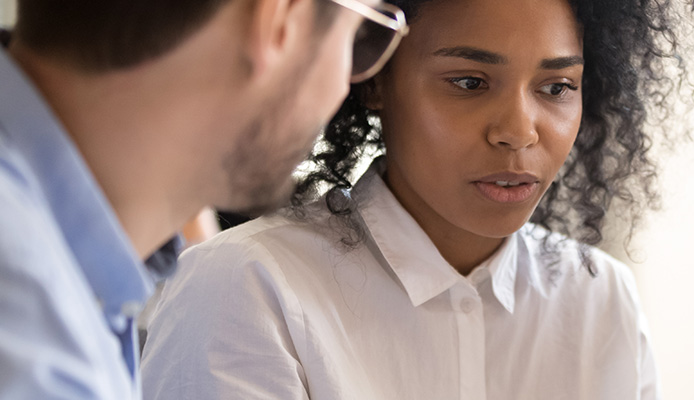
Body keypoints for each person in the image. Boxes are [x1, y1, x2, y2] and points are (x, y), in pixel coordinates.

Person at [140, 0, 694, 398]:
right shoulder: (249, 286)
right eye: (469, 83)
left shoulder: (600, 299)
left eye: (556, 87)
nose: (519, 130)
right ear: (377, 79)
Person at [0, 0, 408, 398]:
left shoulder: (66, 287)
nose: (343, 87)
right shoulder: (35, 342)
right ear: (281, 19)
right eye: (357, 37)